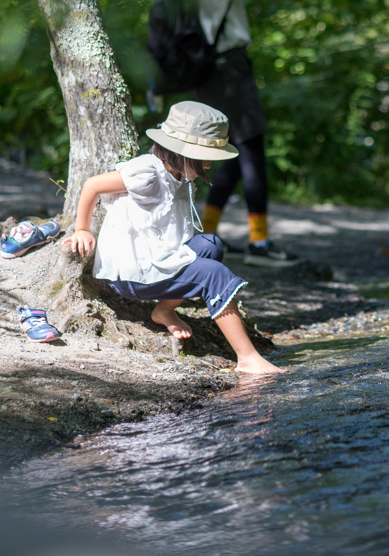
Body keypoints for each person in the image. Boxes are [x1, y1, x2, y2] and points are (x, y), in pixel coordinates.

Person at [62, 101, 284, 374]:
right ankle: (247, 358)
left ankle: (164, 311)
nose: (207, 165)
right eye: (204, 157)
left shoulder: (178, 173)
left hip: (158, 257)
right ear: (181, 151)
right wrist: (81, 229)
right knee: (213, 273)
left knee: (211, 245)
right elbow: (93, 184)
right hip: (133, 273)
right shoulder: (148, 173)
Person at [164, 0, 300, 267]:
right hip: (229, 69)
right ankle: (260, 245)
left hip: (210, 70)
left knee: (231, 155)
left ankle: (206, 232)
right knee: (251, 149)